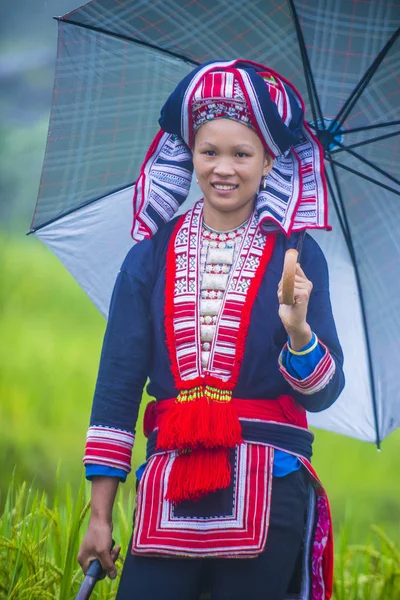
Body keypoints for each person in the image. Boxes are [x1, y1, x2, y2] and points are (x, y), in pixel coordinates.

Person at [78, 60, 344, 600]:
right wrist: (100, 517)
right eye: (210, 151)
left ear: (270, 160)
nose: (224, 168)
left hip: (272, 486)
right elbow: (117, 388)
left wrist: (297, 332)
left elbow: (324, 394)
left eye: (241, 154)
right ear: (189, 155)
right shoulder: (149, 257)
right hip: (168, 484)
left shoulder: (296, 255)